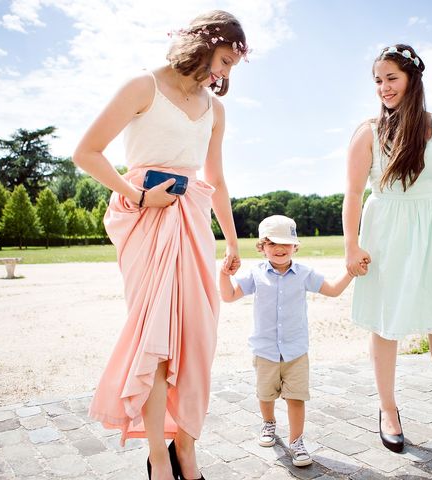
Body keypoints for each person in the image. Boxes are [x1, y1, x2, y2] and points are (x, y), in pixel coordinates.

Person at [72, 10, 248, 480]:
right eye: (225, 60)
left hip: (192, 219)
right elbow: (85, 152)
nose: (226, 73)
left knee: (198, 339)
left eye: (233, 65)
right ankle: (157, 456)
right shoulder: (142, 86)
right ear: (204, 43)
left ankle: (185, 447)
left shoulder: (217, 109)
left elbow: (216, 179)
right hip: (145, 218)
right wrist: (138, 196)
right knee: (158, 341)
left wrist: (231, 240)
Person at [342, 44, 432, 460]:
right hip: (384, 229)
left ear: (413, 79)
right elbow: (352, 192)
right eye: (378, 81)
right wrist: (352, 245)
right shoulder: (367, 131)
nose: (383, 88)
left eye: (391, 78)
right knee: (386, 325)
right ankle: (388, 411)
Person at [219, 215, 354, 467]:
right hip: (265, 350)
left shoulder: (304, 274)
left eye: (285, 243)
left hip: (295, 351)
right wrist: (224, 274)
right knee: (265, 394)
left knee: (296, 398)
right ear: (261, 247)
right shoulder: (255, 274)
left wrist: (350, 271)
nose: (279, 249)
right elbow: (227, 296)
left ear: (295, 246)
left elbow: (333, 290)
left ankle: (296, 441)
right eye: (271, 243)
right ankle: (268, 423)